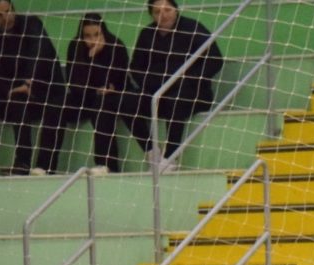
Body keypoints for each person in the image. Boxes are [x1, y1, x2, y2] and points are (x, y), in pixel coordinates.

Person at [0, 0, 67, 176]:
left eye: (8, 11)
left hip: (45, 90)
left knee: (53, 107)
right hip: (17, 93)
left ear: (13, 9)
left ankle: (34, 164)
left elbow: (38, 53)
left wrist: (28, 82)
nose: (6, 17)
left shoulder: (32, 23)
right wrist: (10, 90)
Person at [128, 0, 223, 169]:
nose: (163, 15)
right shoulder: (147, 34)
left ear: (176, 10)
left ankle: (171, 157)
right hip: (158, 94)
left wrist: (188, 79)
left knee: (176, 99)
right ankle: (151, 151)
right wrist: (152, 84)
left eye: (167, 10)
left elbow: (215, 60)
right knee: (124, 101)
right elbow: (136, 67)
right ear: (151, 14)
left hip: (193, 93)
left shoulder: (193, 28)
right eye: (157, 12)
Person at [63, 13, 132, 175]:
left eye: (96, 34)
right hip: (84, 97)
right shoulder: (75, 47)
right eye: (87, 35)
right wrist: (90, 59)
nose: (92, 40)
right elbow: (74, 82)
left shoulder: (115, 46)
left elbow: (117, 81)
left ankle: (107, 164)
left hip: (110, 98)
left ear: (103, 32)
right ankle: (44, 166)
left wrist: (97, 60)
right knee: (55, 106)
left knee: (101, 104)